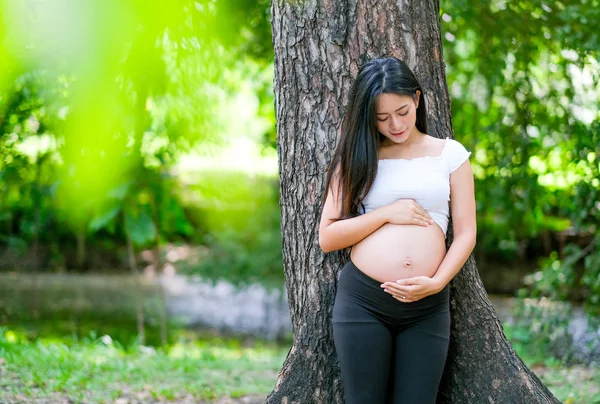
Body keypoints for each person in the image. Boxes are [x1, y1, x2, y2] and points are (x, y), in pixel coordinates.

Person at [318, 56, 477, 404]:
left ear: (417, 99)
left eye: (403, 112)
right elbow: (327, 237)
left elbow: (466, 233)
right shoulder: (359, 156)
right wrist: (388, 213)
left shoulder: (450, 155)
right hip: (364, 301)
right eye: (382, 117)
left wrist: (437, 283)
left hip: (427, 304)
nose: (395, 124)